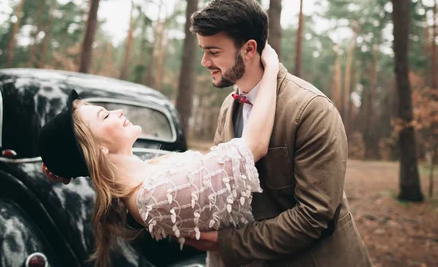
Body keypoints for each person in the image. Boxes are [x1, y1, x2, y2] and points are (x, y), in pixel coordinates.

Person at [38, 45, 281, 267]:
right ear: (97, 148)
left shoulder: (143, 175)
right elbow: (254, 146)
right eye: (104, 116)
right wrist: (270, 67)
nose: (118, 112)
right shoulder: (155, 195)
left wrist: (60, 165)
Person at [183, 0, 373, 266]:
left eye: (213, 51)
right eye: (203, 51)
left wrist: (225, 241)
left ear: (249, 49)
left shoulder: (311, 110)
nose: (205, 62)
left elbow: (314, 217)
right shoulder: (229, 106)